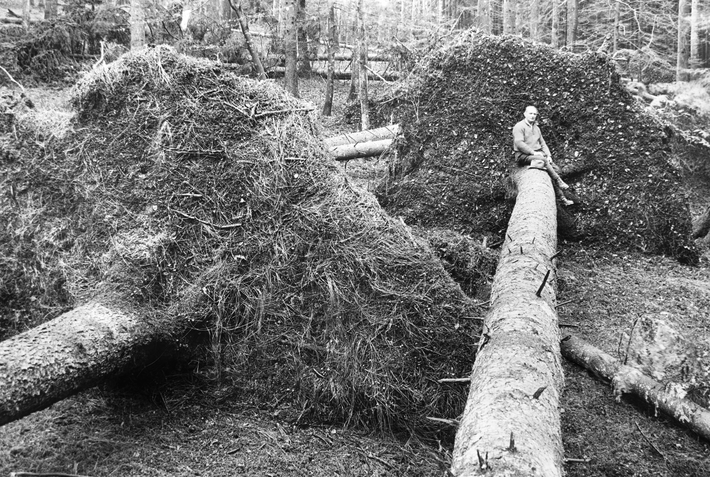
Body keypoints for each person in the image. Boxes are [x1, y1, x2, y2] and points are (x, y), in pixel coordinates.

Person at [512, 105, 573, 206]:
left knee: (555, 169)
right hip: (522, 155)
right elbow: (519, 143)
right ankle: (559, 181)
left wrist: (548, 155)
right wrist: (533, 153)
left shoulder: (536, 128)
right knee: (542, 160)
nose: (532, 116)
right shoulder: (519, 127)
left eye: (535, 114)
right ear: (525, 114)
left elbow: (542, 142)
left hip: (537, 153)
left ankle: (562, 198)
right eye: (530, 113)